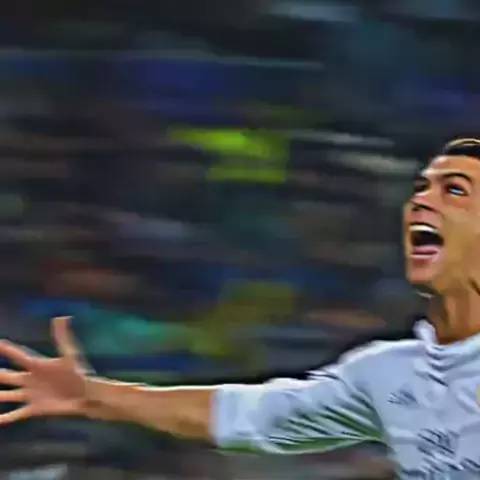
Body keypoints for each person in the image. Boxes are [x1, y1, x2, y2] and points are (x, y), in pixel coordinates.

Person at [1, 138, 480, 477]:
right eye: (420, 187)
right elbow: (249, 415)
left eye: (454, 189)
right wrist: (93, 395)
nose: (421, 201)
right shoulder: (386, 374)